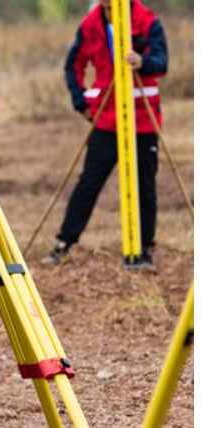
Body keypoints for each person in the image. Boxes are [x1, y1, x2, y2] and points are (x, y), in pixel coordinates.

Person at [42, 0, 168, 271]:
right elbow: (72, 67)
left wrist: (143, 61)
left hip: (143, 120)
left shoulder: (147, 21)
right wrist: (82, 103)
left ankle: (144, 251)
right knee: (89, 182)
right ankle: (65, 243)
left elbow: (162, 62)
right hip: (107, 119)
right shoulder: (90, 25)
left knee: (144, 185)